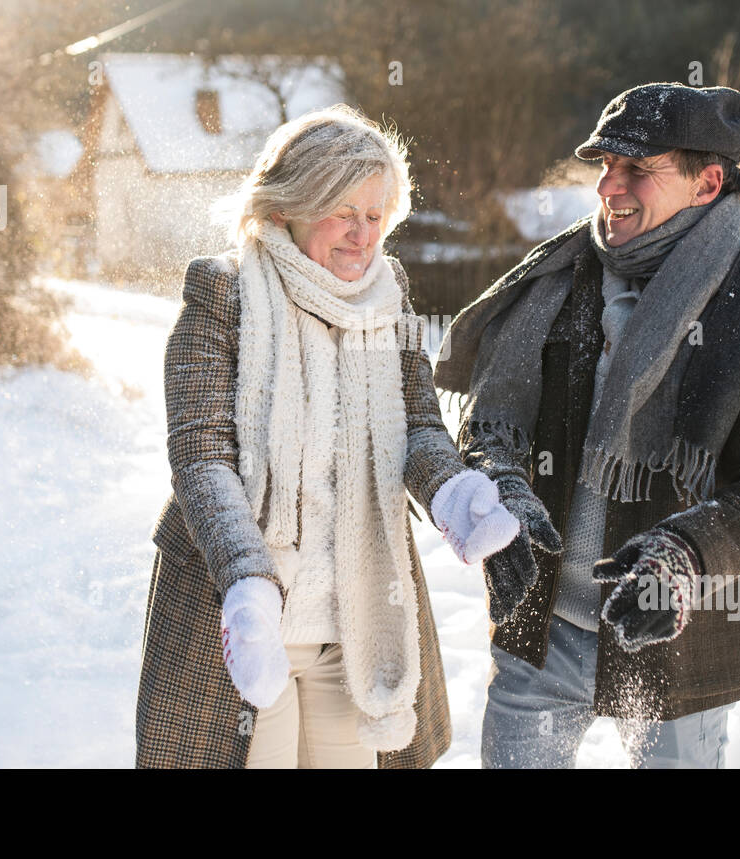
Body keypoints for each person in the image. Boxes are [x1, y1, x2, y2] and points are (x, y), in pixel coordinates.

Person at [435, 82, 740, 768]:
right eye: (604, 166)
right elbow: (491, 427)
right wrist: (505, 489)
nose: (607, 187)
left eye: (637, 170)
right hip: (541, 631)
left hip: (675, 641)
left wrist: (685, 556)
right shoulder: (556, 281)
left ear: (708, 182)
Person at [135, 104, 520, 769]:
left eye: (376, 216)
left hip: (354, 623)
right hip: (243, 620)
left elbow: (417, 426)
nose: (363, 235)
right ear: (289, 206)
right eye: (344, 212)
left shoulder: (386, 293)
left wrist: (454, 493)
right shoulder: (222, 295)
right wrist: (247, 582)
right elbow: (202, 460)